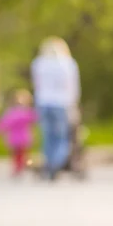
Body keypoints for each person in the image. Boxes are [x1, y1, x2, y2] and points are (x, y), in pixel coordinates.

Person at [31, 37, 81, 180]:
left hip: (44, 102)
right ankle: (55, 165)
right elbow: (73, 87)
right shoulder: (68, 63)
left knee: (47, 136)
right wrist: (74, 104)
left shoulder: (39, 63)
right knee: (61, 137)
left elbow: (37, 85)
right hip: (62, 103)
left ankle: (48, 163)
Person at [0, 89, 37, 176]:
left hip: (14, 138)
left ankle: (18, 167)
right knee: (22, 154)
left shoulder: (11, 112)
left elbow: (4, 123)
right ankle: (22, 166)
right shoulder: (27, 112)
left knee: (16, 154)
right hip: (24, 138)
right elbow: (35, 119)